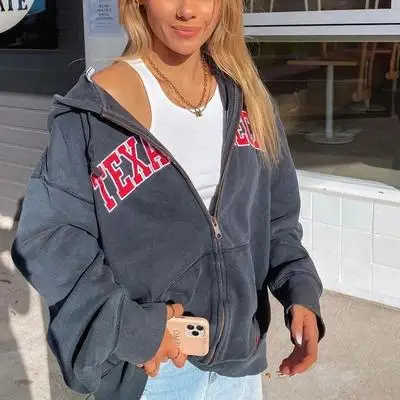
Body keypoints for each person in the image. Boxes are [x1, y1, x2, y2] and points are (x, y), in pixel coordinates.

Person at [11, 0, 325, 399]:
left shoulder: (247, 98)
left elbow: (277, 219)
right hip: (151, 372)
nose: (188, 11)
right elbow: (47, 238)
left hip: (239, 364)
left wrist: (300, 292)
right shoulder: (95, 111)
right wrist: (130, 328)